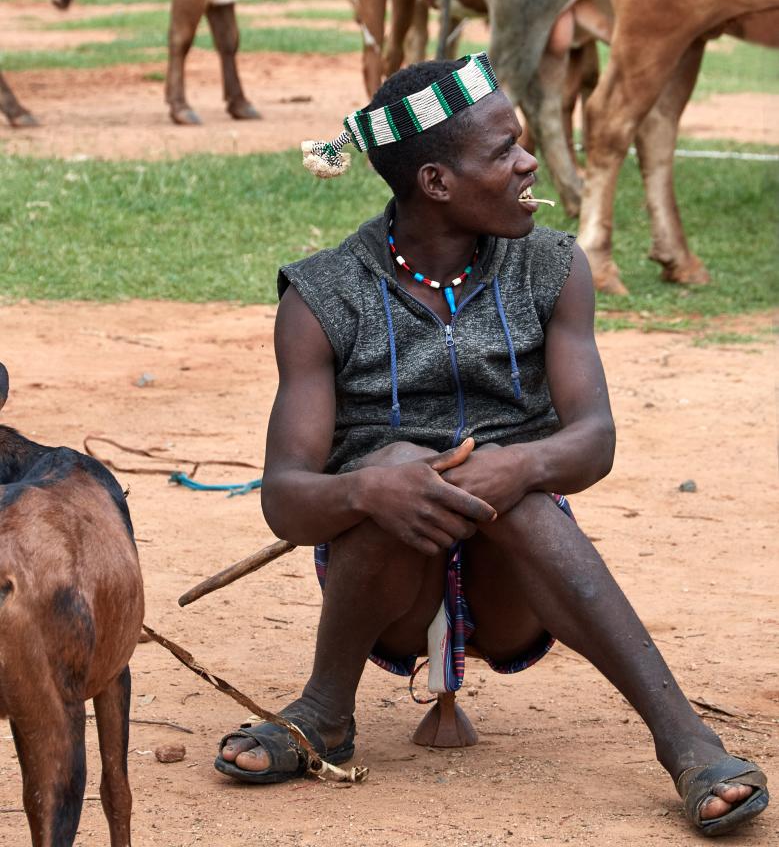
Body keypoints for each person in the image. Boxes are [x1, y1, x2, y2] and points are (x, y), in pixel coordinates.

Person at [215, 55, 769, 836]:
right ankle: (323, 713)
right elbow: (284, 497)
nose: (527, 161)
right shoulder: (322, 294)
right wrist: (365, 489)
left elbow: (594, 440)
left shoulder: (551, 266)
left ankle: (687, 743)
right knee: (392, 471)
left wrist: (518, 465)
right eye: (503, 150)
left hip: (520, 587)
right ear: (436, 183)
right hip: (385, 598)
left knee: (518, 491)